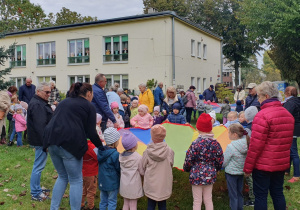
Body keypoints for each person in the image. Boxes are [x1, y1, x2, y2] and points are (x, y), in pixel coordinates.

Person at [243, 81, 294, 210]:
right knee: (277, 193)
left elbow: (255, 146)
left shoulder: (262, 116)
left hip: (263, 165)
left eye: (259, 97)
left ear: (266, 96)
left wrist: (248, 168)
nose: (258, 100)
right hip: (280, 163)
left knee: (261, 196)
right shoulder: (288, 115)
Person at [183, 113, 224, 210]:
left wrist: (186, 168)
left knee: (197, 200)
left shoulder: (195, 143)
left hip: (196, 175)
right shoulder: (216, 143)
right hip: (210, 174)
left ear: (198, 129)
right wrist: (217, 168)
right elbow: (220, 158)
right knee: (208, 199)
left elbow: (189, 158)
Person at [27, 82, 53, 201]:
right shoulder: (37, 104)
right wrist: (45, 143)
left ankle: (36, 188)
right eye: (46, 92)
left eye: (50, 92)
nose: (49, 94)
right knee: (38, 166)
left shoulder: (39, 102)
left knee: (39, 165)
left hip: (39, 139)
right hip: (40, 140)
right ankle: (35, 193)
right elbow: (40, 126)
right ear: (38, 92)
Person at [139, 125, 174, 210]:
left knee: (150, 204)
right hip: (163, 183)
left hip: (151, 183)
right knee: (162, 204)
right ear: (164, 136)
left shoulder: (147, 152)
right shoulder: (169, 151)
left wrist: (143, 174)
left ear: (152, 136)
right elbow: (171, 164)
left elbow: (142, 166)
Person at [223, 124, 248, 210]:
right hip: (241, 172)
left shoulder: (231, 146)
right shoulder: (246, 144)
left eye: (229, 132)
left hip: (231, 173)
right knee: (239, 193)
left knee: (233, 195)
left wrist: (221, 165)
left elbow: (224, 161)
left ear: (234, 134)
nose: (228, 134)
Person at [98, 127, 121, 210]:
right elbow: (118, 168)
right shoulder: (115, 154)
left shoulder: (101, 152)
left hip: (102, 181)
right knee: (112, 201)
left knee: (103, 201)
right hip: (112, 183)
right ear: (115, 142)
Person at [119, 132, 144, 210]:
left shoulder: (121, 156)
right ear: (134, 145)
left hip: (124, 185)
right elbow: (142, 172)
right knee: (133, 205)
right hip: (134, 186)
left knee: (125, 204)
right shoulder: (138, 157)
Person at [283, 86, 300, 183]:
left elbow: (285, 115)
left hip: (291, 128)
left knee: (293, 152)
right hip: (296, 127)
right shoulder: (297, 101)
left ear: (288, 93)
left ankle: (297, 175)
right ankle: (287, 170)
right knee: (289, 149)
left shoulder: (290, 103)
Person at [243, 106, 258, 207]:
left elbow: (245, 144)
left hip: (250, 156)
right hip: (259, 156)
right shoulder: (258, 125)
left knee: (250, 178)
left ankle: (253, 199)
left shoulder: (247, 130)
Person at [81, 140, 99, 210]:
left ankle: (81, 204)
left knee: (83, 190)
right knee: (91, 191)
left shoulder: (80, 144)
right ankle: (91, 206)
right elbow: (98, 156)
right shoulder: (91, 147)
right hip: (91, 173)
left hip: (82, 172)